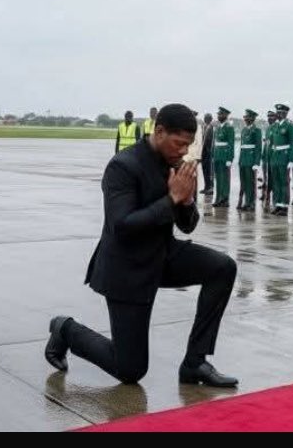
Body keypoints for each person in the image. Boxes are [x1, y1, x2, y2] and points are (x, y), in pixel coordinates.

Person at [45, 104, 238, 387]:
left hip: (162, 255)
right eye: (179, 143)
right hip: (127, 267)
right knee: (130, 370)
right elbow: (122, 226)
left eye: (188, 144)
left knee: (222, 268)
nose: (184, 151)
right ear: (159, 132)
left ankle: (195, 363)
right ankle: (66, 330)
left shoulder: (175, 165)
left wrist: (185, 201)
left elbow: (187, 225)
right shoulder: (123, 166)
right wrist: (172, 199)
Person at [266, 104, 293, 216]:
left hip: (284, 156)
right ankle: (277, 204)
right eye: (278, 112)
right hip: (275, 156)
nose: (279, 114)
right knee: (276, 182)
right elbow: (271, 144)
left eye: (281, 113)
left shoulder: (290, 126)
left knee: (284, 182)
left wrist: (291, 160)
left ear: (285, 114)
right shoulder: (274, 126)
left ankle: (284, 206)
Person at [237, 109, 263, 211]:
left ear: (253, 118)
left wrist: (257, 162)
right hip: (243, 159)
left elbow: (258, 147)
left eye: (248, 117)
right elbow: (242, 146)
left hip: (251, 160)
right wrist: (239, 160)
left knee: (250, 183)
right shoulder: (244, 130)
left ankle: (251, 203)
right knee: (244, 182)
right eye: (245, 117)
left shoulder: (257, 131)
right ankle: (246, 202)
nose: (246, 119)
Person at [212, 108, 235, 208]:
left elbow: (231, 144)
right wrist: (213, 155)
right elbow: (215, 143)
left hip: (225, 156)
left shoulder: (229, 128)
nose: (218, 116)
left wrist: (230, 159)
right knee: (218, 178)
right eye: (218, 114)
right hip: (217, 155)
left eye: (220, 114)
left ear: (225, 116)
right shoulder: (218, 127)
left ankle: (225, 199)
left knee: (225, 178)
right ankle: (218, 198)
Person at [201, 112, 215, 196]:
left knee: (210, 171)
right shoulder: (204, 127)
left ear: (210, 119)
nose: (206, 119)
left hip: (209, 152)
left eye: (208, 118)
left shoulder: (211, 128)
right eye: (205, 118)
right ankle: (206, 187)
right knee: (204, 170)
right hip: (204, 152)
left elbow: (210, 141)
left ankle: (210, 188)